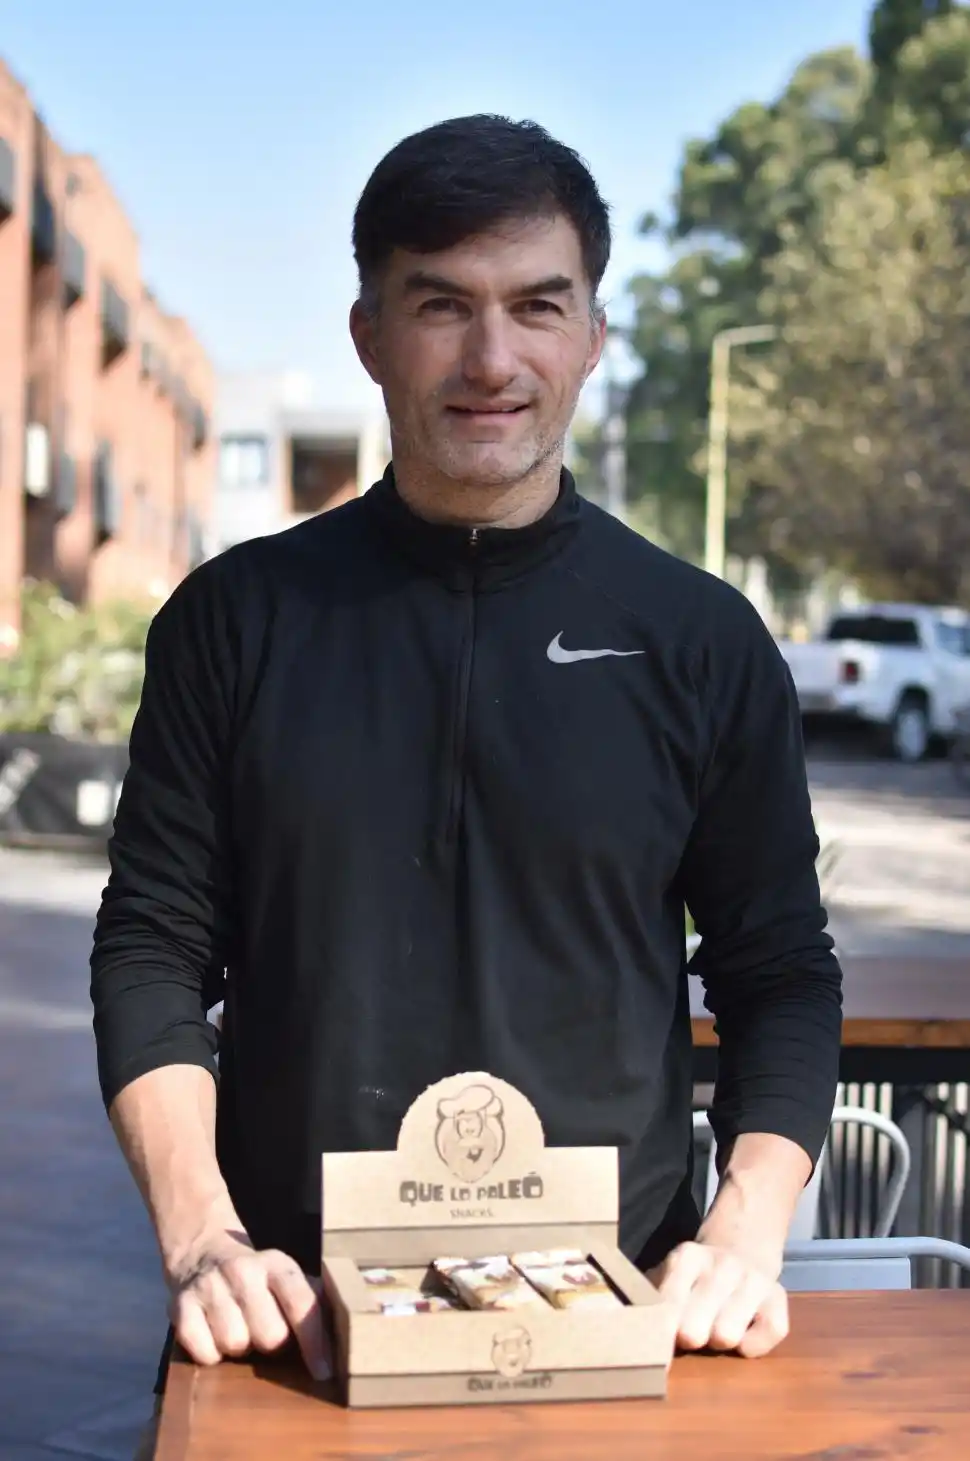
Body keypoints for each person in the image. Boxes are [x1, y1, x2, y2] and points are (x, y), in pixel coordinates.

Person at [91, 113, 842, 1445]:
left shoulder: (700, 638)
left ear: (592, 336)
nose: (493, 359)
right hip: (289, 1325)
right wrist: (200, 1236)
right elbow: (153, 949)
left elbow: (776, 968)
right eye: (441, 305)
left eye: (537, 305)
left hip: (618, 1315)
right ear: (368, 332)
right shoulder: (234, 621)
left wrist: (742, 1233)